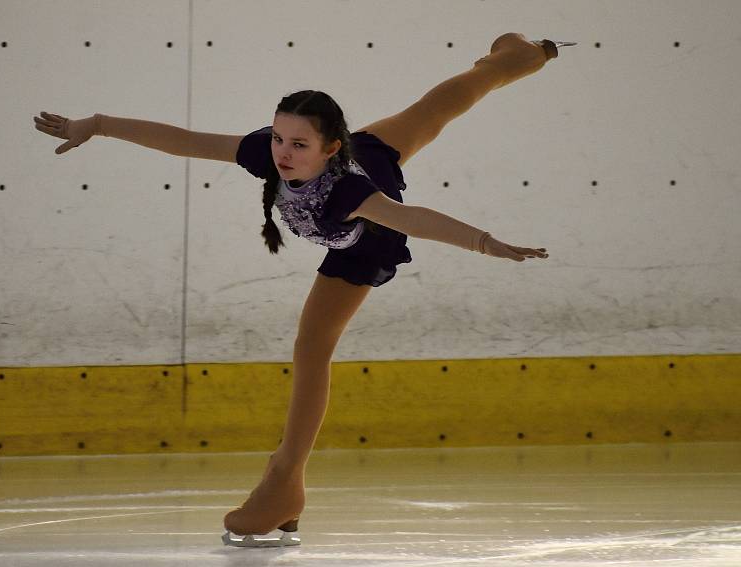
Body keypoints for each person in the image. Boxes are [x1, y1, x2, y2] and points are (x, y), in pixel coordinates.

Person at [34, 32, 567, 547]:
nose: (283, 154)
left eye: (298, 144)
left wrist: (484, 243)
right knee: (434, 108)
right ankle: (514, 58)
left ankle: (285, 479)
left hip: (364, 242)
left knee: (312, 348)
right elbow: (184, 141)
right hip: (365, 153)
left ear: (332, 148)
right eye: (278, 138)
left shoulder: (350, 190)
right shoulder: (270, 153)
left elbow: (414, 219)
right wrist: (98, 124)